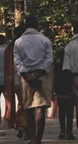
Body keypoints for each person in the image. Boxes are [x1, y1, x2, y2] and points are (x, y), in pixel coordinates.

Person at [13, 14, 53, 144]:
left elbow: (18, 62)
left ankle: (32, 137)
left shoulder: (18, 42)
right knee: (40, 108)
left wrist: (27, 76)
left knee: (29, 107)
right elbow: (49, 59)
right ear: (37, 25)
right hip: (42, 77)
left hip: (26, 78)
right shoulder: (45, 40)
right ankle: (38, 139)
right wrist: (39, 73)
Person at [54, 43, 74, 139]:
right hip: (69, 91)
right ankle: (69, 132)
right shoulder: (70, 66)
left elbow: (54, 79)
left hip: (60, 91)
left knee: (62, 111)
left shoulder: (56, 66)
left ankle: (62, 131)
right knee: (69, 112)